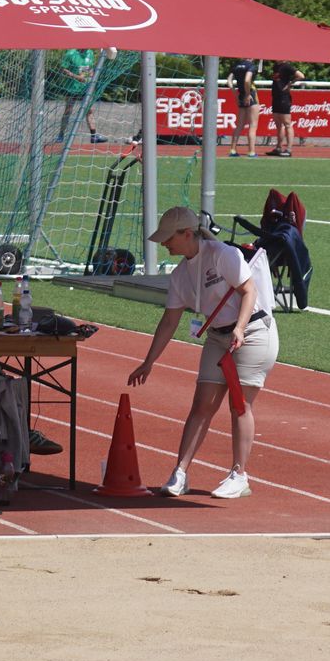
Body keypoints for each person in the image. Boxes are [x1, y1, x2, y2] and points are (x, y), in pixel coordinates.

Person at [128, 205, 279, 500]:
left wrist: (240, 329)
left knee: (240, 404)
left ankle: (239, 475)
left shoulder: (223, 254)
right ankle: (180, 473)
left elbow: (249, 291)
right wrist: (148, 362)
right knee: (201, 405)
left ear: (187, 234)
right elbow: (169, 321)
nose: (164, 243)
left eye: (169, 237)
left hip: (253, 332)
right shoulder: (180, 275)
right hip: (217, 337)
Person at [56, 46, 118, 144]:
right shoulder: (70, 53)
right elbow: (63, 69)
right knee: (68, 111)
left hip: (85, 87)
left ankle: (94, 136)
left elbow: (90, 69)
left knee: (89, 110)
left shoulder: (90, 53)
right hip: (72, 87)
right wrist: (75, 76)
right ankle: (61, 135)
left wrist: (91, 75)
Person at [227, 58, 261, 157]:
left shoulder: (236, 66)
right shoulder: (251, 66)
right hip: (250, 94)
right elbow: (247, 79)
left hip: (240, 94)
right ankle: (251, 151)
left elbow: (229, 81)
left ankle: (233, 150)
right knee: (253, 125)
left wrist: (235, 94)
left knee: (239, 125)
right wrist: (248, 94)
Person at [267, 60, 301, 157]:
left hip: (283, 97)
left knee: (287, 124)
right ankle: (278, 147)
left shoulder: (287, 66)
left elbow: (300, 75)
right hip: (276, 97)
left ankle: (289, 149)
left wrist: (290, 84)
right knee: (278, 124)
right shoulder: (275, 66)